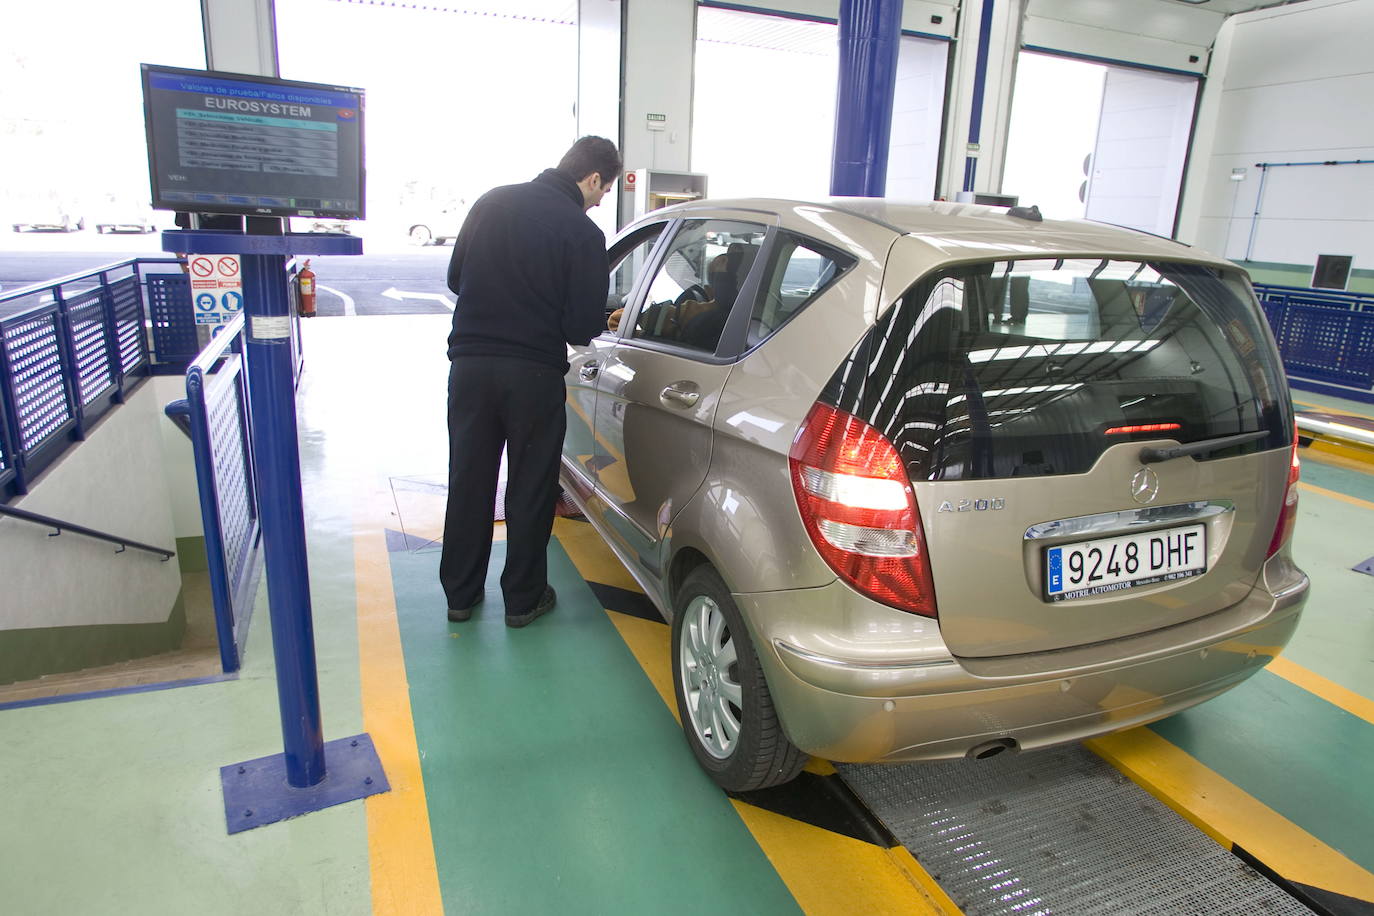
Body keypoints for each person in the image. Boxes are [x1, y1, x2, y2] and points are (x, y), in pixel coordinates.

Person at [439, 136, 620, 627]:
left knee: (470, 479)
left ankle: (460, 595)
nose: (601, 201)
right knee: (530, 487)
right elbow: (579, 327)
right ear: (593, 179)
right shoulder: (582, 235)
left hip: (471, 367)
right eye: (603, 191)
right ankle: (523, 599)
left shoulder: (491, 201)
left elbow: (457, 278)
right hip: (533, 374)